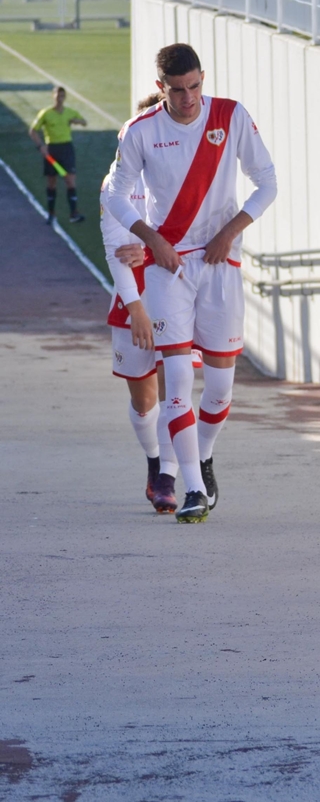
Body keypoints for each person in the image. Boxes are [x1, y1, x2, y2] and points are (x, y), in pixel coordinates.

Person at [105, 43, 277, 524]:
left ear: (204, 77)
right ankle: (194, 489)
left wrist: (230, 231)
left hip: (222, 263)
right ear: (162, 88)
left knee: (220, 387)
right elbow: (115, 195)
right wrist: (152, 239)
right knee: (176, 379)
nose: (188, 98)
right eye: (177, 90)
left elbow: (268, 182)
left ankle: (201, 455)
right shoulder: (140, 131)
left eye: (195, 86)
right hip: (168, 268)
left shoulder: (231, 115)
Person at [101, 92, 174, 512]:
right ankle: (154, 465)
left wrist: (146, 250)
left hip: (177, 293)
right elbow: (116, 249)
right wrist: (136, 309)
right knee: (143, 399)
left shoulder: (186, 174)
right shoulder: (116, 184)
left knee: (175, 389)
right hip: (131, 299)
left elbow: (195, 237)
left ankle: (170, 476)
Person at [30, 85, 88, 224]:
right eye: (57, 96)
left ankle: (74, 213)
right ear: (53, 96)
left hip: (66, 149)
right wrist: (41, 146)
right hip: (52, 150)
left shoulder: (69, 112)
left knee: (70, 180)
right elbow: (33, 131)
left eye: (62, 96)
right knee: (51, 182)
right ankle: (51, 213)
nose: (60, 99)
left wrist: (77, 121)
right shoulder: (46, 113)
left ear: (64, 97)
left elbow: (84, 122)